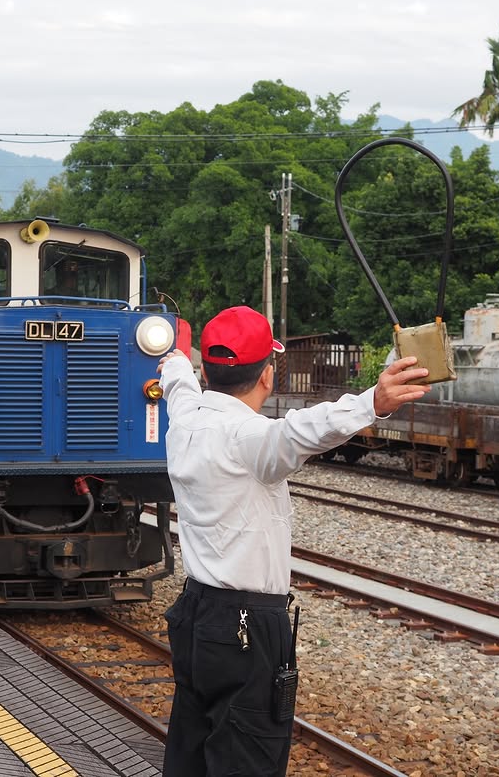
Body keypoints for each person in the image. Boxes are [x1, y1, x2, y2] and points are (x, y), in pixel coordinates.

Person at [156, 305, 431, 776]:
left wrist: (175, 357)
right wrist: (373, 402)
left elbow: (179, 382)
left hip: (195, 616)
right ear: (268, 375)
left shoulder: (184, 419)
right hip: (247, 627)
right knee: (248, 761)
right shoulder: (252, 439)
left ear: (207, 371)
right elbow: (308, 428)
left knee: (190, 756)